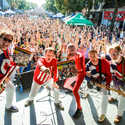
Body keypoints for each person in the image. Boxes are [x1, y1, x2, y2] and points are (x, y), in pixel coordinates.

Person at [86, 50, 112, 122]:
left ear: (97, 55)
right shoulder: (88, 65)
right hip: (93, 81)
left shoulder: (105, 62)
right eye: (90, 56)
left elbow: (109, 75)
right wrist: (88, 76)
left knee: (105, 95)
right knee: (87, 87)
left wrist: (108, 84)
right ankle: (86, 92)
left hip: (103, 81)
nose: (92, 58)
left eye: (94, 56)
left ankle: (103, 113)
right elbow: (85, 76)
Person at [0, 32, 18, 112]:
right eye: (4, 39)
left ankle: (8, 106)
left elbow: (7, 62)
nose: (7, 42)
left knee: (11, 88)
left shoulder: (6, 50)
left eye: (9, 41)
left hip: (3, 77)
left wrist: (19, 62)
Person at [67, 44, 85, 119]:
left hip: (80, 74)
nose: (71, 51)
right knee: (66, 84)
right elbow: (69, 64)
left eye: (72, 49)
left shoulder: (80, 56)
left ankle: (79, 108)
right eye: (70, 49)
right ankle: (83, 90)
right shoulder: (70, 55)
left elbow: (80, 69)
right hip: (75, 73)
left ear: (75, 48)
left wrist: (74, 70)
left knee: (75, 91)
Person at [111, 46, 125, 123]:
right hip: (115, 80)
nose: (113, 54)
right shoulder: (111, 61)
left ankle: (119, 114)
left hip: (123, 82)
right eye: (112, 53)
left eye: (116, 52)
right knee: (115, 88)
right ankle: (114, 97)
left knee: (122, 98)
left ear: (120, 53)